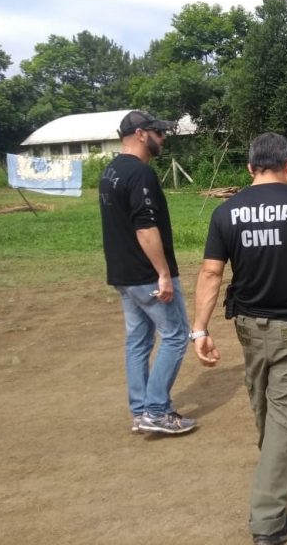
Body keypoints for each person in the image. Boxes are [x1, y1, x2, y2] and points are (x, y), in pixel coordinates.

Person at [191, 132, 287, 544]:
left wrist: (199, 329)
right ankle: (268, 522)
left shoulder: (226, 212)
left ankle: (275, 459)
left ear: (249, 168)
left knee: (263, 397)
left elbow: (211, 273)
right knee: (285, 417)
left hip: (247, 325)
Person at [98, 110, 196, 436]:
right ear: (141, 134)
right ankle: (156, 410)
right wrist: (163, 274)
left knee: (138, 342)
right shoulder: (140, 174)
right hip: (146, 276)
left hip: (123, 275)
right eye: (158, 132)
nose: (163, 137)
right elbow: (145, 228)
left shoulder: (110, 171)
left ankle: (140, 411)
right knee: (176, 336)